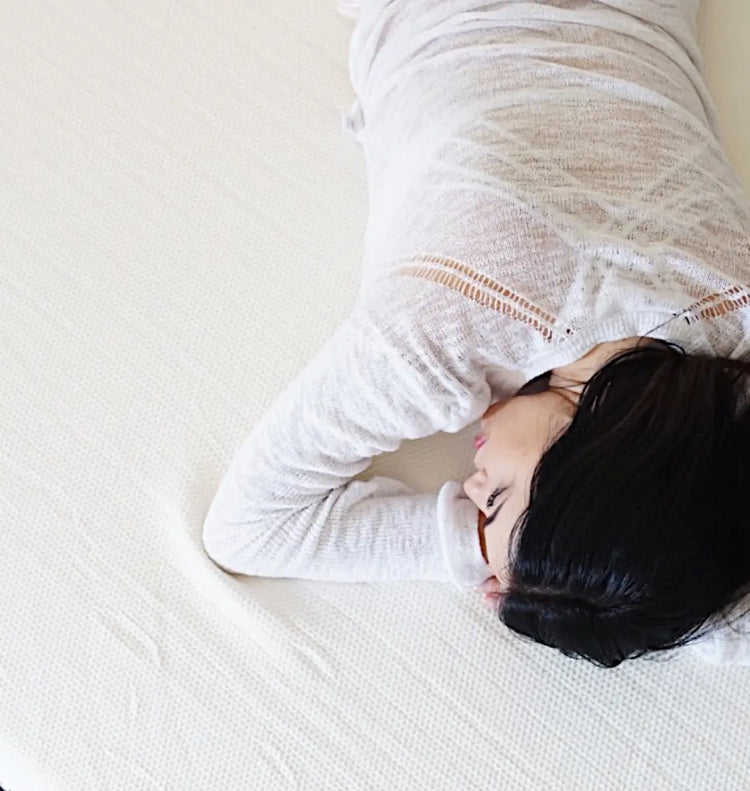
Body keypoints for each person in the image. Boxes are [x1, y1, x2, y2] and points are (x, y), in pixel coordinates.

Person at [203, 0, 750, 668]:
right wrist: (471, 550)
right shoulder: (443, 325)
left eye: (476, 509)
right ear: (589, 450)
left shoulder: (735, 329)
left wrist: (559, 569)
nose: (470, 488)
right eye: (495, 499)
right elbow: (248, 529)